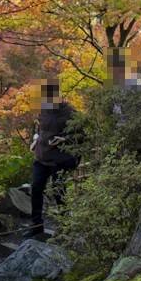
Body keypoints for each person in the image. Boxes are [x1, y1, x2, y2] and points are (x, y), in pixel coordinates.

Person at [27, 78, 80, 240]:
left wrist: (63, 139)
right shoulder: (43, 110)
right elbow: (40, 127)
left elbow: (81, 134)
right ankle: (36, 226)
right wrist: (36, 139)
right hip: (41, 156)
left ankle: (65, 226)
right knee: (35, 189)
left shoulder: (70, 112)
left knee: (58, 191)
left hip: (59, 158)